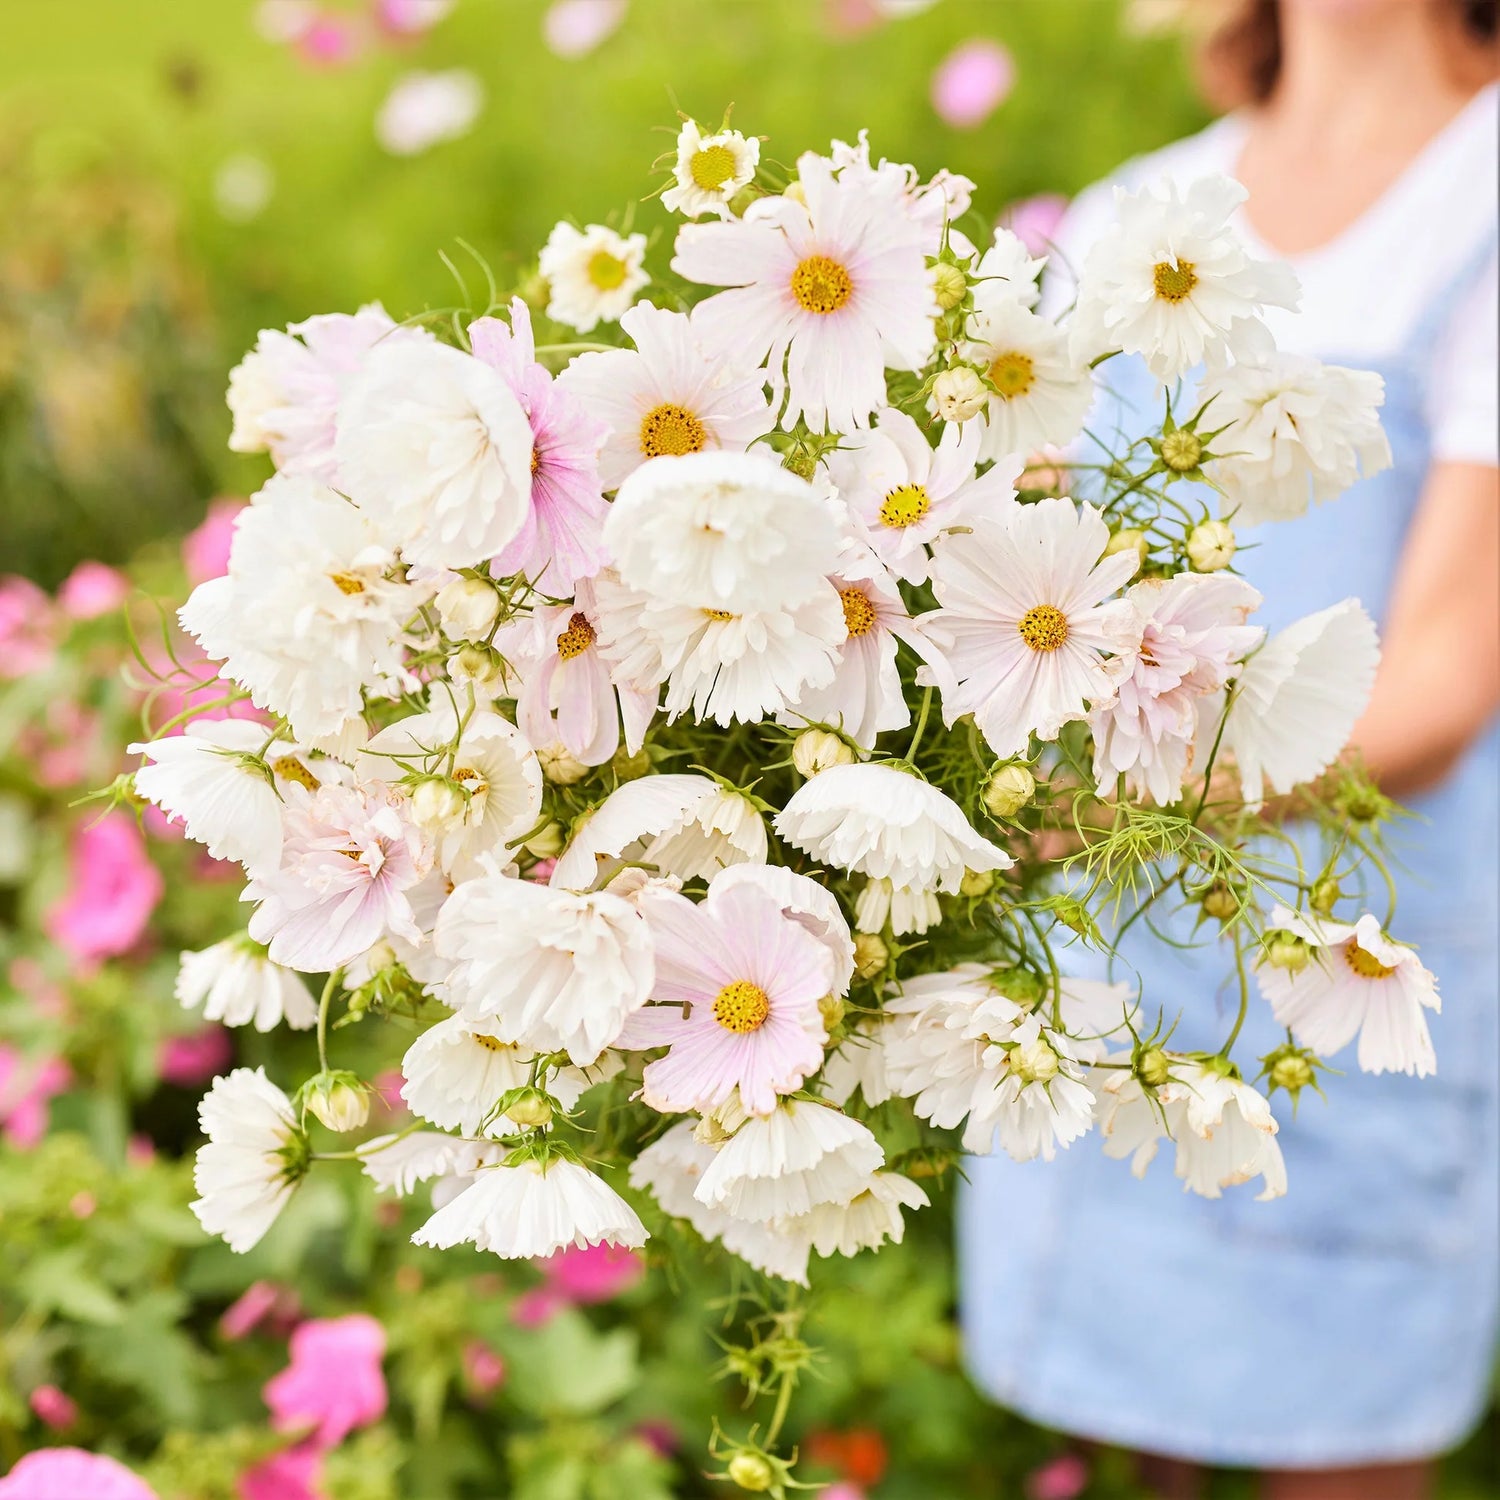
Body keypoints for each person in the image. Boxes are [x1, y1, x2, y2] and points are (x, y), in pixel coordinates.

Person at [958, 3, 1499, 1498]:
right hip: (1116, 965)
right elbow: (1021, 571)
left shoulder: (1482, 196)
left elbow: (1435, 695)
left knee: (1339, 1442)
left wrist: (1096, 801)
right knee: (1123, 1429)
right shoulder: (1148, 205)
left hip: (1344, 974)